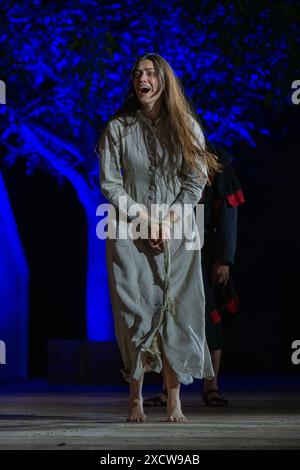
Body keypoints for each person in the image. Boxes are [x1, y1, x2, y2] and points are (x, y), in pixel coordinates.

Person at [97, 53, 221, 423]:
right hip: (128, 229)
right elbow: (110, 183)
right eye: (137, 73)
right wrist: (144, 218)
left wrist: (167, 220)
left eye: (150, 73)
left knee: (175, 312)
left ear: (164, 82)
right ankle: (134, 399)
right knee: (135, 311)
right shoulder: (118, 128)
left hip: (178, 231)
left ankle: (174, 399)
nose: (142, 78)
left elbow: (195, 181)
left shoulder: (187, 127)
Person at [144, 142, 245, 408]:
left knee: (207, 314)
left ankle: (211, 386)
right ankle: (168, 389)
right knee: (167, 314)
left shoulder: (213, 157)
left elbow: (227, 212)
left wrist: (224, 258)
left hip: (203, 247)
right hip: (166, 245)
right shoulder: (160, 151)